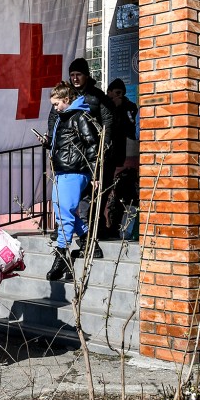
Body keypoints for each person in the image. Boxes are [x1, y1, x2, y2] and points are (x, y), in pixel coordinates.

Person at [47, 57, 114, 240]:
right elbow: (54, 120)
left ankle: (87, 232)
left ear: (86, 76)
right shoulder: (64, 97)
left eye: (78, 75)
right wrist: (51, 140)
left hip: (86, 154)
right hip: (67, 154)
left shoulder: (97, 96)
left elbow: (107, 119)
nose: (75, 78)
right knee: (65, 199)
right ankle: (68, 229)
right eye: (72, 75)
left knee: (86, 197)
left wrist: (104, 143)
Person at [45, 82, 101, 281]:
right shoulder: (65, 117)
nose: (54, 107)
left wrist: (94, 174)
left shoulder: (79, 117)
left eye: (57, 103)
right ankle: (89, 244)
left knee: (64, 215)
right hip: (63, 170)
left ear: (67, 100)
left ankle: (62, 258)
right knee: (63, 211)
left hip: (75, 171)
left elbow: (92, 145)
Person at [106, 78, 139, 240]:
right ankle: (110, 226)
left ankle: (122, 228)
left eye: (121, 94)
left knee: (124, 193)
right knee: (110, 194)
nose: (118, 97)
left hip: (126, 157)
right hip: (110, 155)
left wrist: (120, 109)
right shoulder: (106, 106)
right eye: (115, 93)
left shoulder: (129, 108)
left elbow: (129, 129)